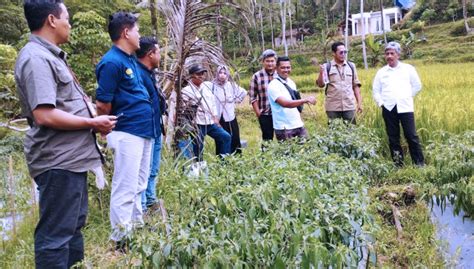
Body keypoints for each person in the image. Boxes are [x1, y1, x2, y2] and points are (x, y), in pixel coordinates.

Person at [15, 1, 116, 267]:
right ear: (51, 20)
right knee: (55, 236)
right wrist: (92, 124)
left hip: (71, 160)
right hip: (57, 161)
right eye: (67, 18)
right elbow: (44, 114)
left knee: (72, 230)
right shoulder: (36, 58)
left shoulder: (49, 56)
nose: (69, 24)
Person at [95, 12, 155, 249]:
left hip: (142, 131)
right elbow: (102, 103)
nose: (140, 35)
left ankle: (136, 225)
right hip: (127, 131)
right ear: (126, 32)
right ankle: (121, 238)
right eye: (137, 30)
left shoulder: (129, 58)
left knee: (139, 184)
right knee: (125, 186)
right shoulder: (112, 62)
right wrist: (106, 128)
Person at [372, 41, 425, 167]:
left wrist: (406, 96)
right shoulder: (381, 72)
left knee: (411, 136)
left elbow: (417, 86)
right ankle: (398, 164)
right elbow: (376, 90)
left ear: (398, 55)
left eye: (392, 53)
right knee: (393, 138)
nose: (389, 56)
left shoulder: (408, 69)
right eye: (387, 53)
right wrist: (381, 103)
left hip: (405, 107)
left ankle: (419, 164)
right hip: (388, 108)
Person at [135, 36, 165, 213]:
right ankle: (143, 206)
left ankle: (150, 199)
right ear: (150, 54)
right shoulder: (138, 75)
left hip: (155, 127)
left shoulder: (150, 73)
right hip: (145, 129)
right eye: (159, 52)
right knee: (143, 170)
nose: (160, 56)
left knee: (153, 168)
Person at [181, 64, 231, 160]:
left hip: (210, 123)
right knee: (198, 147)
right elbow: (184, 111)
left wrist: (215, 118)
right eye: (198, 74)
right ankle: (198, 167)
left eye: (202, 74)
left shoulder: (206, 87)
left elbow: (212, 104)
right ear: (192, 75)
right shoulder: (186, 91)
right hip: (197, 124)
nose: (201, 76)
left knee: (225, 137)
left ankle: (224, 163)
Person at [268, 56, 316, 141]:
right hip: (284, 128)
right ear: (276, 68)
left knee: (307, 149)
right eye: (283, 67)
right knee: (289, 153)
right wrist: (305, 100)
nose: (286, 70)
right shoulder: (273, 85)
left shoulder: (291, 82)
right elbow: (285, 103)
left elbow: (295, 102)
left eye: (288, 67)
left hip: (298, 124)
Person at [316, 41, 362, 124]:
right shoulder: (327, 66)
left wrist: (359, 103)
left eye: (345, 52)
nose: (343, 54)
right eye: (341, 52)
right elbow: (321, 84)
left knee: (352, 132)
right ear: (333, 53)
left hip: (349, 106)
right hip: (333, 107)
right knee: (334, 132)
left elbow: (355, 85)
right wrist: (321, 73)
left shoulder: (351, 66)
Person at [212, 65, 247, 154]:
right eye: (220, 73)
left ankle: (235, 158)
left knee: (234, 137)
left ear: (227, 74)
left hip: (230, 117)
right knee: (221, 138)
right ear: (217, 74)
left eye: (224, 73)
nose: (222, 75)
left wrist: (235, 100)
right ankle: (222, 159)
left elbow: (243, 92)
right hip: (219, 119)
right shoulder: (212, 86)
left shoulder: (230, 85)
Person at [249, 49, 277, 146]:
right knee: (267, 139)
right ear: (263, 62)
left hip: (279, 112)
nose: (270, 63)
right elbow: (252, 97)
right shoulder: (257, 76)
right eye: (267, 61)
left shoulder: (279, 74)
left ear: (275, 62)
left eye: (272, 61)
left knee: (282, 137)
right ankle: (266, 159)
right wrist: (258, 113)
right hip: (265, 114)